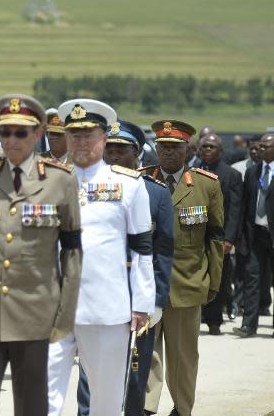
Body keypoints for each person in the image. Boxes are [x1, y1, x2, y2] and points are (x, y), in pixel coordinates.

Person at [0, 94, 82, 416]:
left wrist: (64, 315)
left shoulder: (60, 181)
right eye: (5, 132)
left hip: (34, 312)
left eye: (20, 133)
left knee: (31, 402)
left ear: (37, 134)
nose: (10, 140)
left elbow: (72, 253)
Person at [46, 99, 154, 416]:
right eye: (74, 134)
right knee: (41, 394)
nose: (81, 141)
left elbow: (142, 247)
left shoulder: (128, 184)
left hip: (106, 308)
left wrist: (142, 302)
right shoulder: (45, 182)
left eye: (88, 134)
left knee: (105, 401)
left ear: (104, 138)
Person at [78, 119, 175, 416]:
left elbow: (162, 250)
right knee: (90, 371)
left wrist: (156, 300)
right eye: (110, 149)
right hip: (98, 293)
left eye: (122, 150)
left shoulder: (156, 193)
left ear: (138, 154)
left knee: (135, 370)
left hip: (138, 296)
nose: (114, 156)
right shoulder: (87, 188)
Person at [143, 120, 224, 416]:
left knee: (184, 357)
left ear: (187, 150)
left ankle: (182, 407)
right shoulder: (142, 181)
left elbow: (215, 237)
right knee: (146, 352)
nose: (167, 152)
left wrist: (213, 282)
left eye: (174, 147)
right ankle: (146, 406)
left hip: (186, 285)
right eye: (162, 146)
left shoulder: (206, 185)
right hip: (148, 285)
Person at [198, 134, 243, 335]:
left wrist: (230, 239)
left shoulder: (231, 175)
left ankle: (214, 320)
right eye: (204, 146)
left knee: (219, 279)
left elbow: (235, 209)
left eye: (211, 146)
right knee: (196, 275)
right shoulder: (191, 172)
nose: (207, 149)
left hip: (219, 236)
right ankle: (198, 315)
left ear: (220, 151)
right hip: (195, 234)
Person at [234, 133, 274, 337]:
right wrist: (238, 233)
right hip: (255, 234)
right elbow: (243, 205)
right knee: (252, 278)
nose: (262, 150)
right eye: (261, 146)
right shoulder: (252, 172)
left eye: (267, 146)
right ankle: (249, 324)